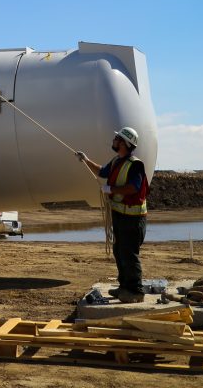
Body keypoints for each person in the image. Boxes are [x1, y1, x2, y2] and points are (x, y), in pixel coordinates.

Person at [76, 126, 148, 303]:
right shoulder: (117, 161)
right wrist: (85, 160)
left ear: (124, 143)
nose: (114, 141)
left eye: (117, 139)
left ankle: (135, 291)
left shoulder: (135, 165)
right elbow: (102, 171)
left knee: (129, 253)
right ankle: (124, 286)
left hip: (133, 219)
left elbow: (134, 187)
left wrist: (111, 189)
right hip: (120, 215)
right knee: (119, 251)